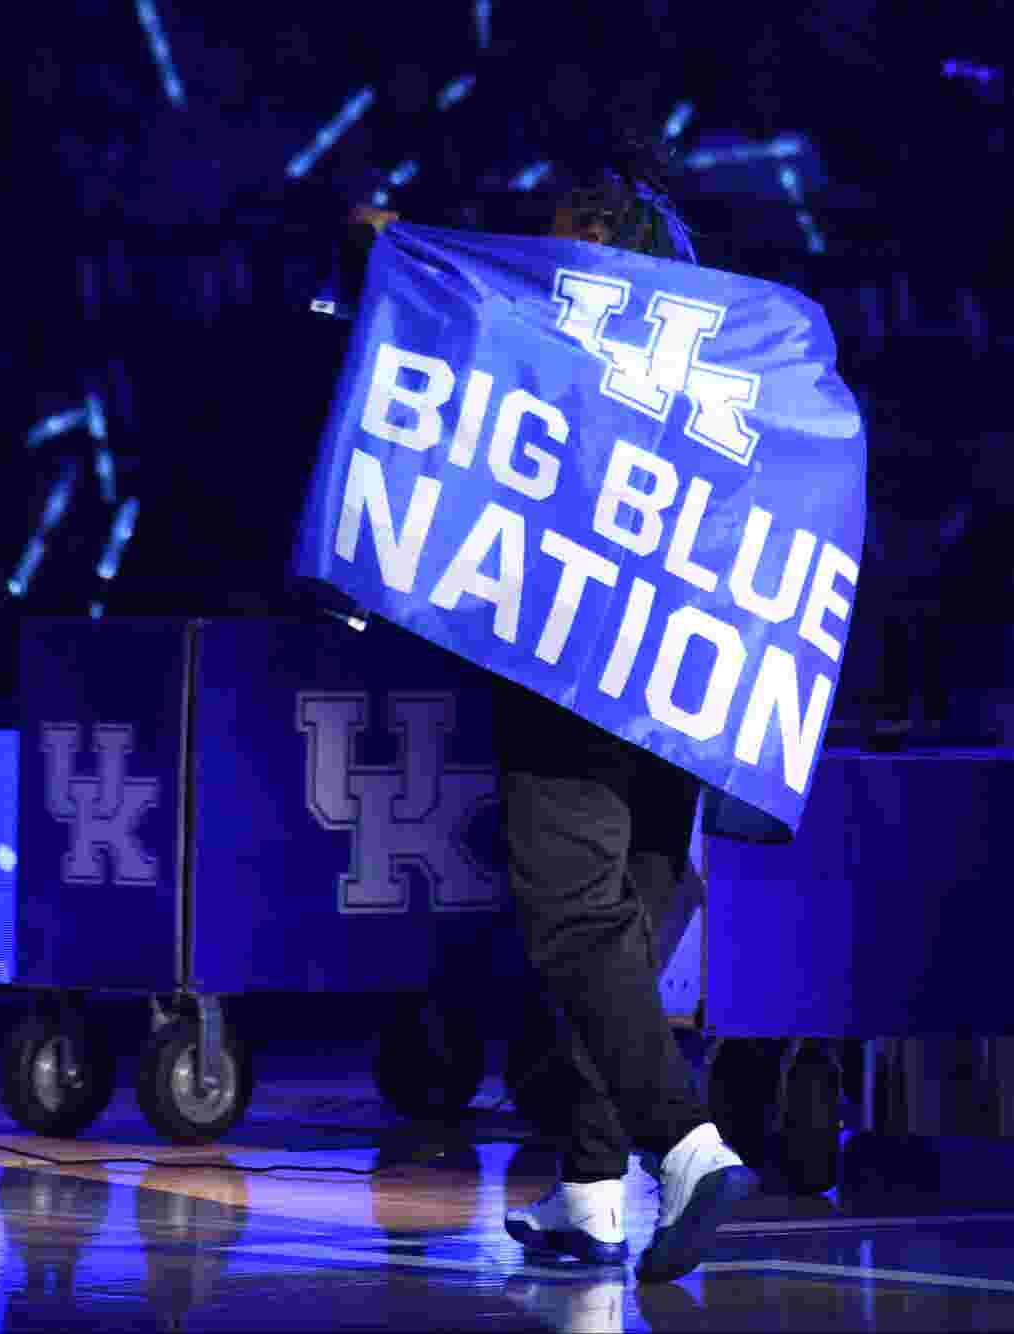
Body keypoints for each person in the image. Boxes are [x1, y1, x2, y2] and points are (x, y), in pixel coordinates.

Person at [344, 136, 758, 1284]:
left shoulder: (553, 338)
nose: (540, 258)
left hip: (570, 656)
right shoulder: (719, 363)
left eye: (558, 243)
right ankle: (589, 1189)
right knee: (619, 927)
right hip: (685, 676)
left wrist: (400, 259)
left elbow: (455, 337)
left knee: (576, 922)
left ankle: (685, 1145)